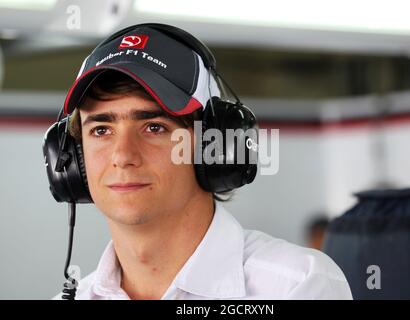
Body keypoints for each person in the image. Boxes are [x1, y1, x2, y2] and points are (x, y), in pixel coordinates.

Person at [49, 24, 352, 300]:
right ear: (73, 160)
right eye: (101, 130)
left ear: (214, 147)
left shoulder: (297, 285)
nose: (123, 156)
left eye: (154, 127)